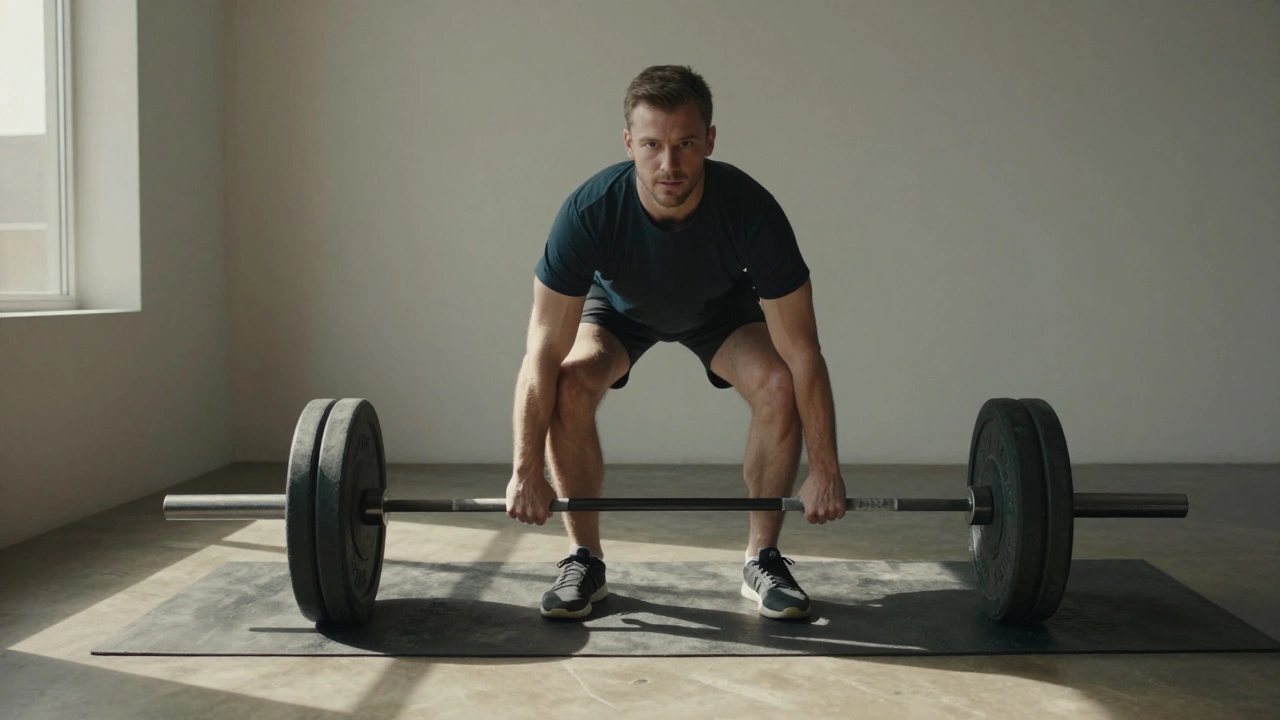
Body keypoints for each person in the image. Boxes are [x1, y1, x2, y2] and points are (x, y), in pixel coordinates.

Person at [505, 65, 846, 621]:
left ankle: (762, 558)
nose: (669, 164)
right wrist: (525, 471)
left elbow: (804, 351)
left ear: (709, 140)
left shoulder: (752, 211)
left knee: (778, 382)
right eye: (652, 145)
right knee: (569, 380)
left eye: (686, 144)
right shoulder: (589, 213)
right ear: (628, 143)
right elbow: (541, 351)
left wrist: (826, 470)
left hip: (717, 311)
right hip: (619, 310)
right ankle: (583, 558)